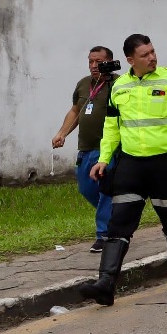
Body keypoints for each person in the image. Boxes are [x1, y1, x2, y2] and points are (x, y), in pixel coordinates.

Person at [79, 34, 167, 306]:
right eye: (145, 55)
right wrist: (103, 158)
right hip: (131, 164)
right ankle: (106, 284)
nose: (152, 57)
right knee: (118, 223)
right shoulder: (119, 86)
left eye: (153, 52)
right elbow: (112, 127)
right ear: (130, 60)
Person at [51, 46, 117, 252]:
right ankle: (118, 216)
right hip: (86, 149)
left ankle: (104, 235)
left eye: (98, 61)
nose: (93, 66)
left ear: (109, 62)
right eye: (90, 61)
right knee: (86, 188)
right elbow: (75, 111)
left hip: (108, 149)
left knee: (105, 190)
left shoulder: (119, 84)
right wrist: (62, 133)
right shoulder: (83, 84)